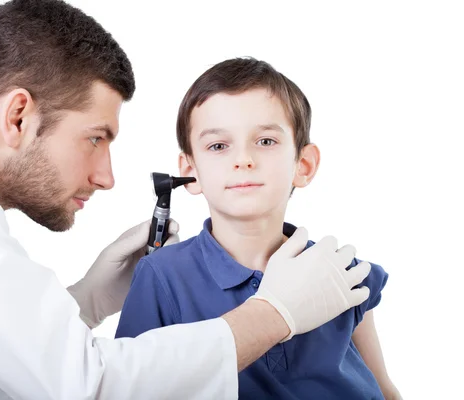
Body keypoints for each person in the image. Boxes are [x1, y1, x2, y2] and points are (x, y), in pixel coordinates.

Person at [0, 1, 373, 399]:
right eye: (95, 137)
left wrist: (89, 298)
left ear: (303, 163)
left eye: (265, 141)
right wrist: (276, 314)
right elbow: (87, 389)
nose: (107, 176)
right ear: (18, 116)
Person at [115, 57, 402, 399]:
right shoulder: (162, 277)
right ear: (189, 171)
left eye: (265, 141)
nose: (243, 159)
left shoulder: (338, 267)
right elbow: (126, 387)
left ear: (304, 165)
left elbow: (384, 387)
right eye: (218, 146)